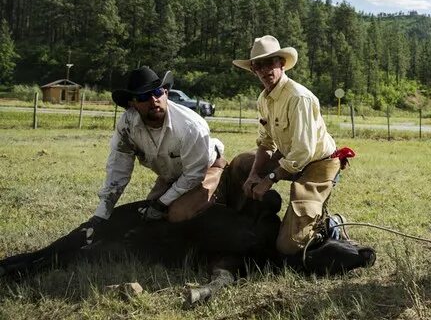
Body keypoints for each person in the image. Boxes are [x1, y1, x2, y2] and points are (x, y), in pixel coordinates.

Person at [230, 35, 352, 255]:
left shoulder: (298, 98)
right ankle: (261, 213)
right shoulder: (263, 99)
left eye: (270, 63)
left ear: (282, 64)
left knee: (290, 246)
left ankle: (332, 224)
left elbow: (303, 151)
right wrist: (254, 175)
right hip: (288, 157)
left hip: (318, 163)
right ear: (253, 70)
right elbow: (266, 142)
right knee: (241, 164)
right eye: (258, 65)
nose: (264, 70)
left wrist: (269, 178)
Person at [89, 66, 226, 227]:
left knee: (177, 213)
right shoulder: (127, 125)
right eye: (143, 96)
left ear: (166, 93)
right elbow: (118, 168)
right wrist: (102, 212)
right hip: (171, 176)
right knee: (147, 212)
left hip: (205, 169)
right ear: (132, 103)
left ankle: (221, 193)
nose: (153, 100)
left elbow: (194, 175)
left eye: (157, 92)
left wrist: (162, 203)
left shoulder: (190, 126)